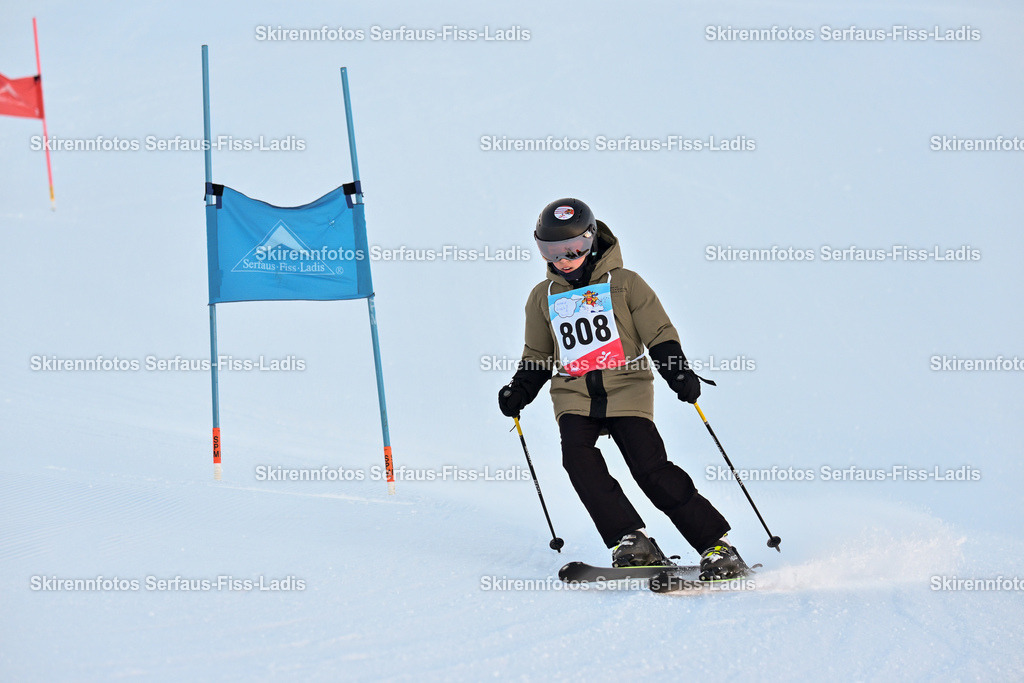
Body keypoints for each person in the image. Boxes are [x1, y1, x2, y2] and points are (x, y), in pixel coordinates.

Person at [498, 198, 745, 579]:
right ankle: (630, 539)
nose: (563, 259)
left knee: (651, 470)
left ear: (592, 241)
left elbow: (658, 333)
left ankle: (716, 545)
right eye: (551, 251)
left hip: (627, 387)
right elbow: (538, 352)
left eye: (572, 249)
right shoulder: (542, 295)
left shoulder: (626, 284)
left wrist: (677, 372)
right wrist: (520, 389)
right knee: (578, 460)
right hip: (574, 394)